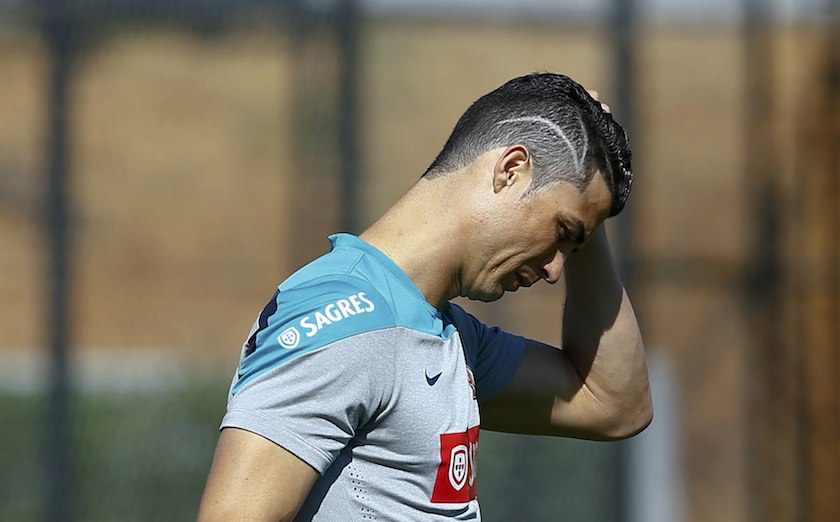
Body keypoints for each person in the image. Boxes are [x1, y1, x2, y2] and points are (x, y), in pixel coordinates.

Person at [197, 72, 653, 521]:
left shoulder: (448, 334)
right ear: (511, 170)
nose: (556, 269)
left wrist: (589, 203)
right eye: (562, 232)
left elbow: (615, 405)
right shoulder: (344, 316)